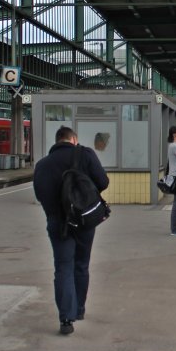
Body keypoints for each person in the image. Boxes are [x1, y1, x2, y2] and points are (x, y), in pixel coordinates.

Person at [33, 126, 109, 335]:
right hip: (83, 221)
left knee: (63, 267)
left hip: (58, 222)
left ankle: (66, 319)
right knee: (81, 265)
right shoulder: (85, 154)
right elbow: (103, 182)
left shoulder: (42, 164)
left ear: (57, 142)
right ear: (73, 139)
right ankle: (80, 309)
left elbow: (40, 195)